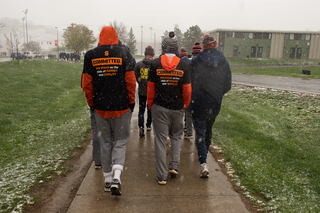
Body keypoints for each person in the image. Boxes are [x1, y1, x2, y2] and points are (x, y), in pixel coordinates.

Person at [81, 26, 136, 196]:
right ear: (116, 37)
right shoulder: (123, 53)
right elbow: (130, 81)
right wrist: (131, 102)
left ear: (100, 37)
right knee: (120, 140)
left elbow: (86, 83)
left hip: (101, 107)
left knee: (105, 142)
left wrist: (92, 103)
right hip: (121, 107)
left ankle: (106, 179)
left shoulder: (90, 55)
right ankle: (117, 177)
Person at [147, 32, 192, 185]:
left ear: (163, 47)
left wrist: (150, 104)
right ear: (176, 47)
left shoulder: (155, 64)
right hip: (177, 107)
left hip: (159, 106)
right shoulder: (184, 65)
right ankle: (174, 165)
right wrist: (185, 105)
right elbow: (187, 89)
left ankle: (161, 176)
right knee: (177, 136)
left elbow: (151, 88)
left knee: (160, 141)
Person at [189, 34, 232, 178]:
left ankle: (203, 162)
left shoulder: (196, 61)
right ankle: (204, 156)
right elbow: (228, 85)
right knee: (208, 130)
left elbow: (189, 78)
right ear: (215, 45)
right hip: (214, 103)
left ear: (204, 46)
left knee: (200, 132)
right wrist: (217, 93)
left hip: (198, 102)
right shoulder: (224, 62)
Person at [134, 45, 154, 138]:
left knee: (141, 110)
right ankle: (148, 125)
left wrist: (140, 82)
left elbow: (135, 76)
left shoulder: (139, 64)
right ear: (152, 54)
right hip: (151, 91)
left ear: (145, 53)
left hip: (142, 90)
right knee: (150, 109)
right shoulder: (155, 64)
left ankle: (141, 126)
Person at [179, 47, 193, 140]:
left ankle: (185, 130)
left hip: (182, 89)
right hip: (192, 88)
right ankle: (189, 130)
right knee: (189, 112)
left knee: (183, 111)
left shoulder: (180, 64)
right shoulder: (191, 62)